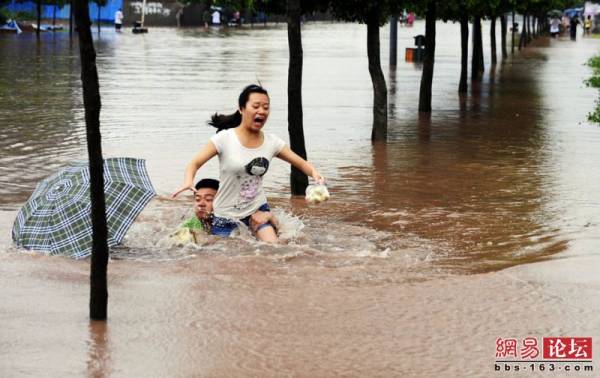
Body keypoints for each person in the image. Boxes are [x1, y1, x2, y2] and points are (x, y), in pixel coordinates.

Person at [172, 84, 324, 243]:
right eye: (256, 106)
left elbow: (300, 163)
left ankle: (271, 219)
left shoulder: (272, 142)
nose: (262, 111)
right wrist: (188, 180)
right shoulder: (224, 139)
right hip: (225, 217)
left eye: (266, 107)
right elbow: (194, 163)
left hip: (257, 211)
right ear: (241, 108)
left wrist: (315, 173)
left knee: (274, 249)